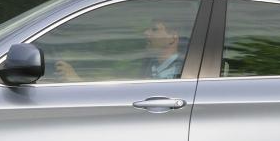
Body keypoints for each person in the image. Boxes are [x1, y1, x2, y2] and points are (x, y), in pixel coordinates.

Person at [52, 18, 184, 82]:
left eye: (154, 29)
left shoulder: (177, 73)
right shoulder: (151, 64)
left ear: (173, 38)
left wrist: (77, 81)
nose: (146, 33)